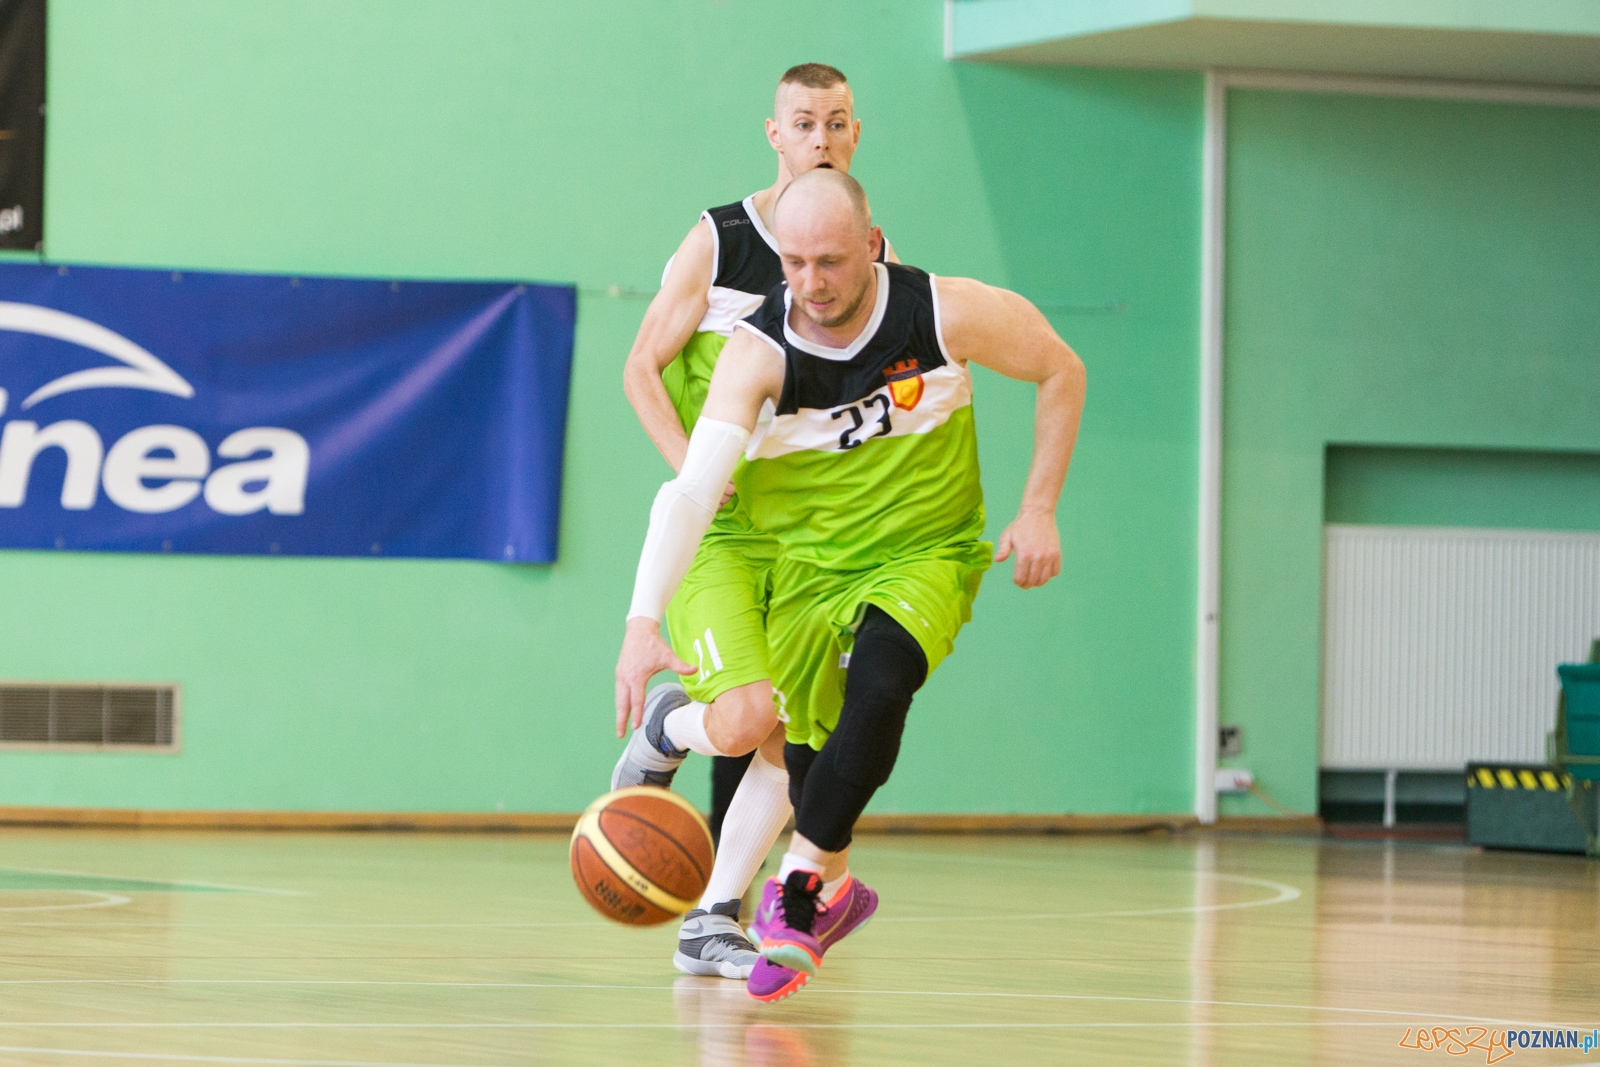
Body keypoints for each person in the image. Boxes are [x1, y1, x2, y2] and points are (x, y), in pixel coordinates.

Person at [614, 168, 1086, 1001]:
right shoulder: (760, 353)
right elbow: (690, 491)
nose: (809, 283)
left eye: (828, 261)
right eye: (792, 262)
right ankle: (821, 887)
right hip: (806, 568)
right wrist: (639, 619)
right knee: (792, 754)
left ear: (872, 246)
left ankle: (792, 892)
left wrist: (1038, 506)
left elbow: (1059, 367)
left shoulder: (942, 312)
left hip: (921, 552)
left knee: (882, 680)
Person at [612, 62, 893, 980]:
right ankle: (666, 729)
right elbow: (641, 368)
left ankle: (715, 913)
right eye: (805, 122)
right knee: (738, 719)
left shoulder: (863, 263)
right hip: (724, 532)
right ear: (775, 133)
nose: (823, 137)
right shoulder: (722, 241)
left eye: (838, 123)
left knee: (795, 732)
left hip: (811, 539)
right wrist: (694, 472)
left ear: (855, 135)